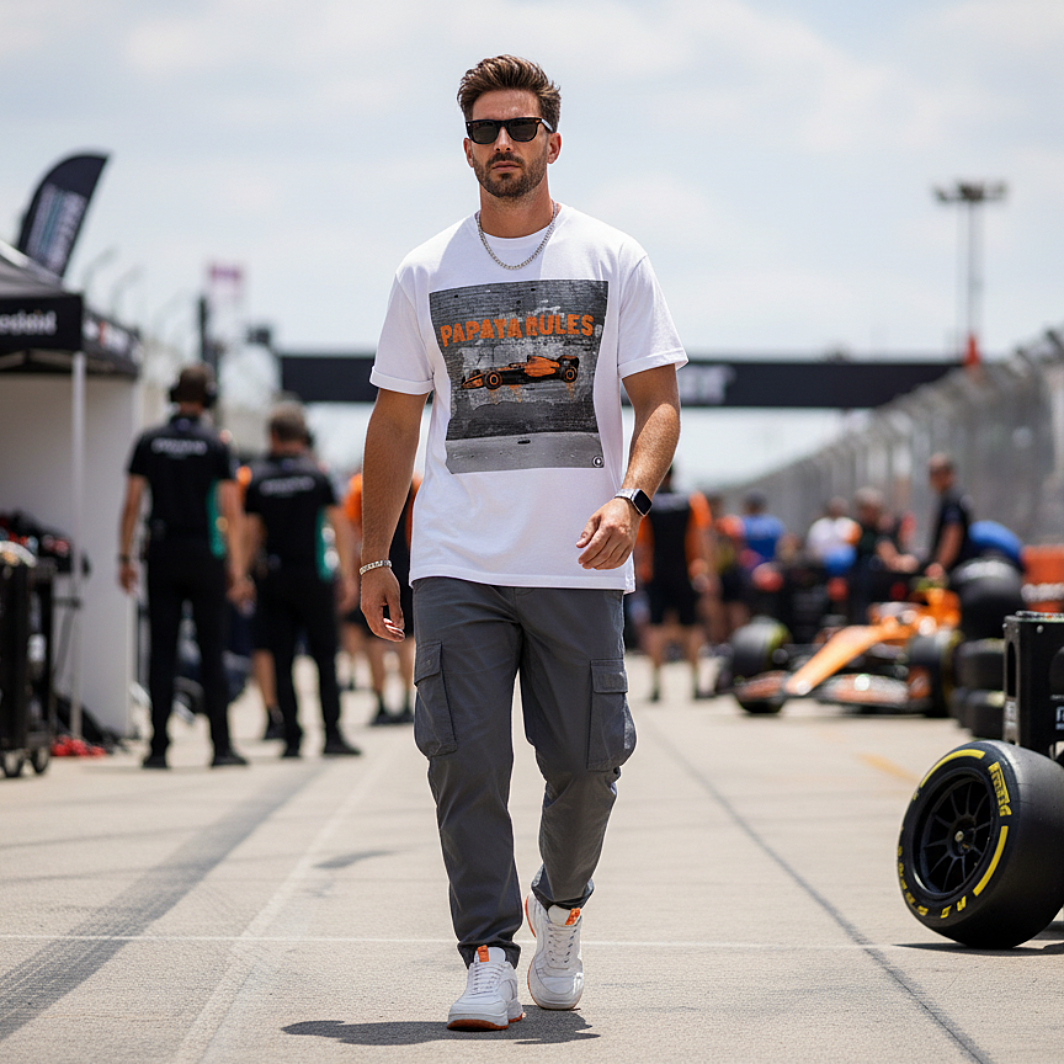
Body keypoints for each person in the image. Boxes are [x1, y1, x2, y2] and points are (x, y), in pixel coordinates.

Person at [359, 55, 684, 1032]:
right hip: (456, 560)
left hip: (577, 563)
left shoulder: (614, 259)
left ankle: (558, 906)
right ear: (467, 148)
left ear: (552, 139)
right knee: (460, 757)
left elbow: (656, 404)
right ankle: (490, 949)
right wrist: (375, 555)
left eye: (520, 127)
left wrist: (630, 499)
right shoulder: (424, 271)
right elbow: (392, 422)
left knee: (588, 766)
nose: (503, 144)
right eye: (485, 131)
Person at [117, 364, 247, 769]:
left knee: (162, 651)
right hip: (205, 556)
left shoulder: (150, 440)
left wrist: (124, 557)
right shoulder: (215, 444)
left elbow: (132, 504)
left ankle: (157, 748)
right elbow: (231, 510)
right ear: (208, 400)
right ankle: (221, 748)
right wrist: (238, 569)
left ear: (174, 395)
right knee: (212, 651)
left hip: (162, 552)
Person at [236, 403, 361, 759]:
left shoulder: (257, 476)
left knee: (282, 659)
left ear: (272, 436)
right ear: (302, 436)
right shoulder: (317, 475)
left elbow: (250, 532)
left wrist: (243, 574)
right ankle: (333, 735)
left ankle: (291, 737)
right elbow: (340, 526)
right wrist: (349, 577)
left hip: (274, 578)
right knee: (325, 658)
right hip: (314, 577)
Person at [342, 471, 418, 726]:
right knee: (405, 638)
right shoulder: (413, 482)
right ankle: (407, 703)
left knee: (374, 639)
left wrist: (352, 573)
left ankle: (381, 705)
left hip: (373, 565)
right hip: (407, 565)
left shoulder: (359, 486)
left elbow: (352, 530)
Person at [635, 466, 714, 700]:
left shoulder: (645, 502)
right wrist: (708, 572)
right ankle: (697, 685)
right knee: (691, 627)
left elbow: (640, 543)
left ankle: (656, 687)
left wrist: (639, 574)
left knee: (656, 628)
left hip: (656, 573)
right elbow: (702, 537)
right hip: (687, 573)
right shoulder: (692, 500)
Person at [925, 453, 975, 581]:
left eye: (938, 473)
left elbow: (953, 532)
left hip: (954, 569)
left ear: (949, 474)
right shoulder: (947, 497)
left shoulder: (952, 499)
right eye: (932, 473)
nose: (934, 478)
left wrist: (940, 565)